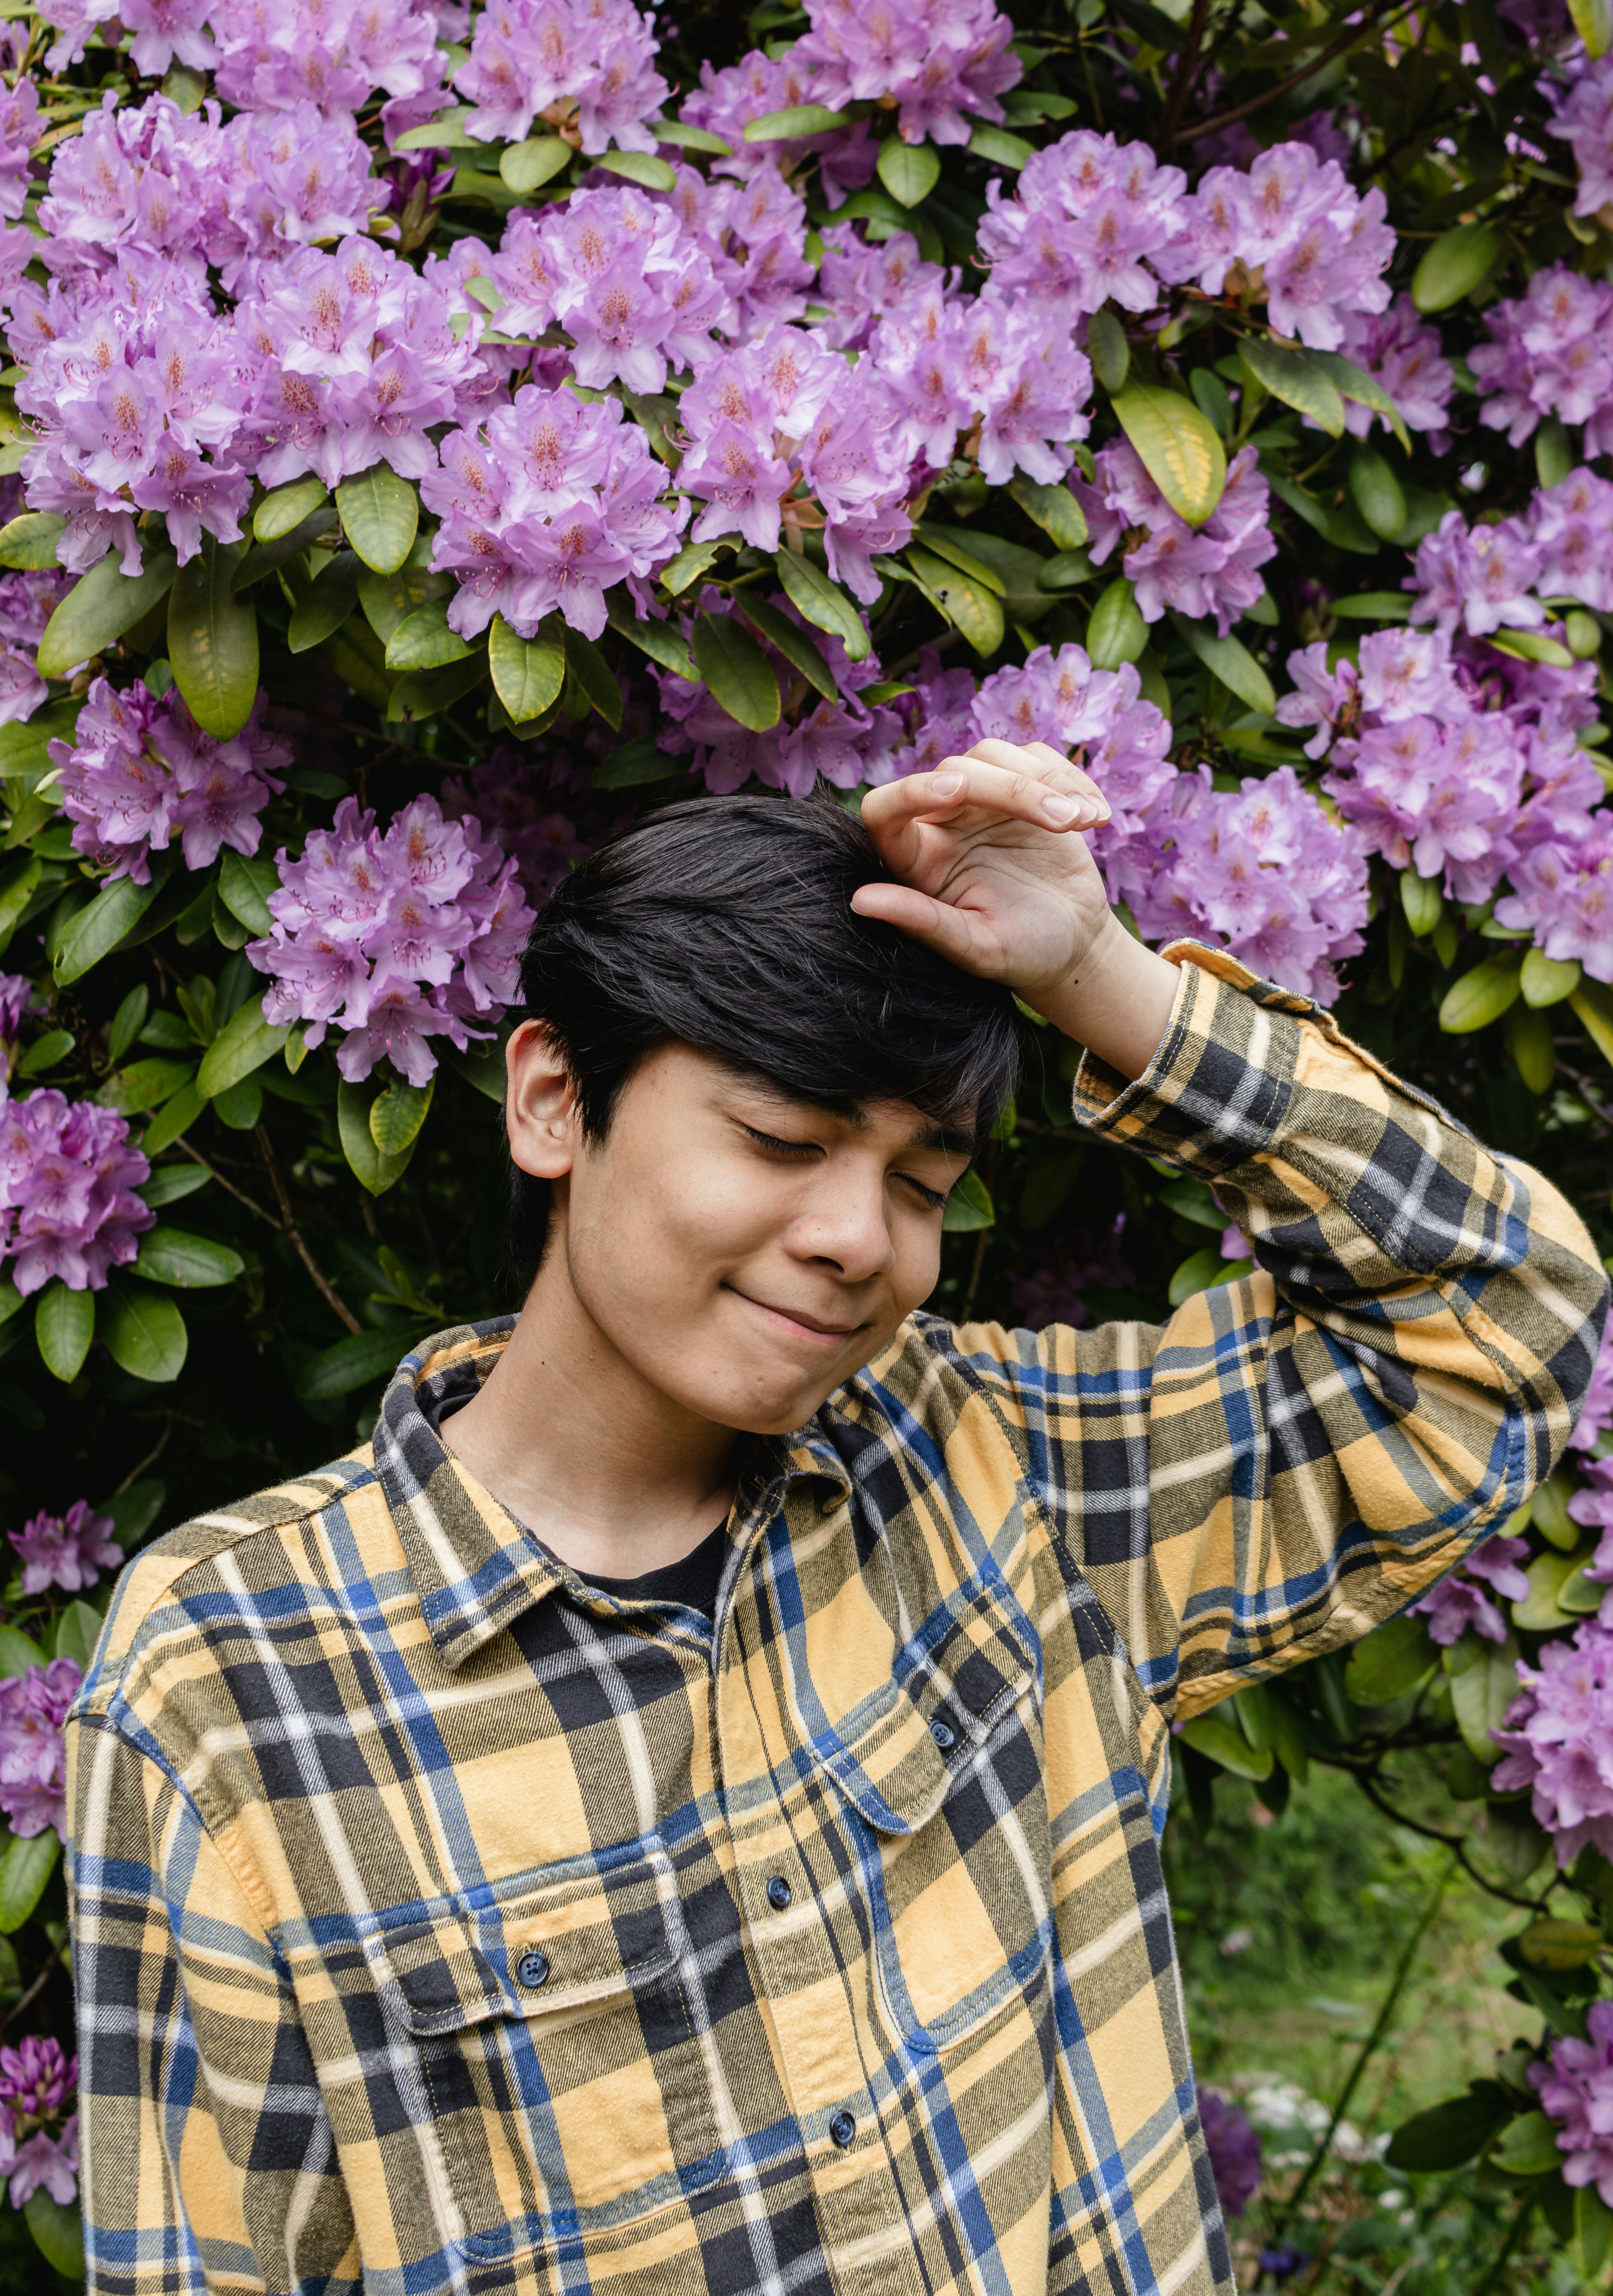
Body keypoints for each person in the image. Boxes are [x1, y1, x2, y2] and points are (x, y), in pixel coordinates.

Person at [67, 739, 1606, 2296]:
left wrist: (1098, 977)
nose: (859, 1240)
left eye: (925, 1184)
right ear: (551, 1099)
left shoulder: (1005, 1468)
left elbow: (1505, 1329)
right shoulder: (229, 1685)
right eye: (783, 1142)